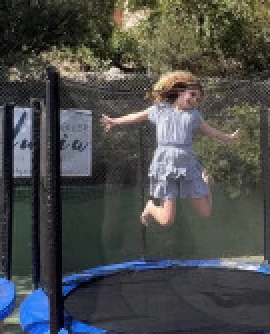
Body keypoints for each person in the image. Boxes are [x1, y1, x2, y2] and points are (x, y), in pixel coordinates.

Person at [101, 71, 240, 227]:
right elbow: (135, 116)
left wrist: (229, 138)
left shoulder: (194, 115)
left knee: (206, 213)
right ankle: (150, 206)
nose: (195, 100)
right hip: (165, 165)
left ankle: (205, 183)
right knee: (167, 221)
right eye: (192, 95)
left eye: (198, 99)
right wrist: (114, 121)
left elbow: (211, 131)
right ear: (180, 92)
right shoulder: (160, 110)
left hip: (187, 166)